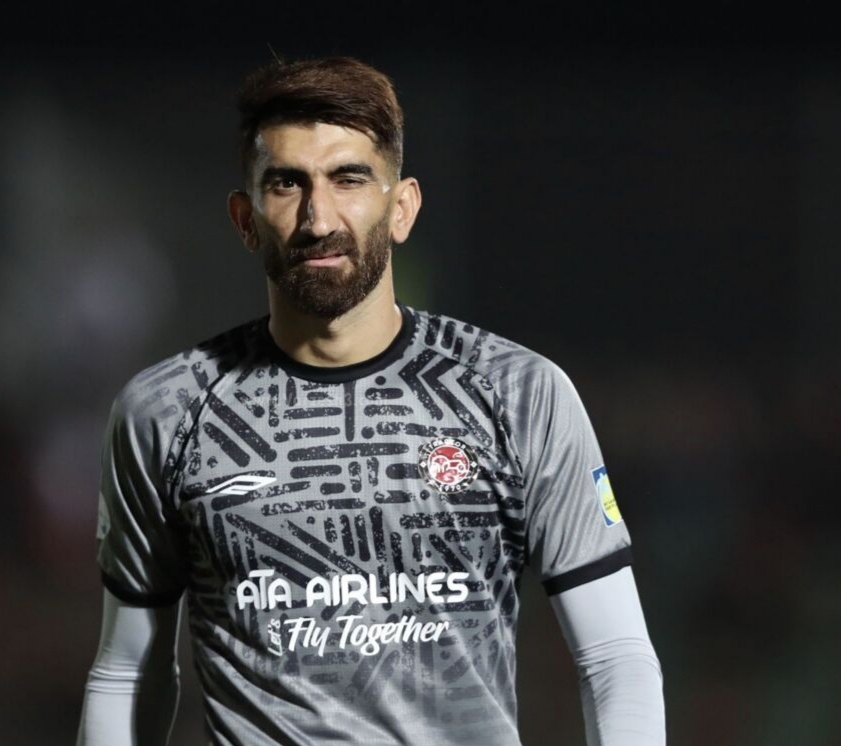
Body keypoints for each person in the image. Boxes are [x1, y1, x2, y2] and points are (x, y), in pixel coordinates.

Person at [76, 56, 665, 746]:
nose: (317, 217)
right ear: (244, 217)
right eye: (286, 183)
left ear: (402, 207)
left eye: (349, 178)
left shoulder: (517, 393)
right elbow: (129, 671)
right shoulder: (167, 412)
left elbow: (615, 658)